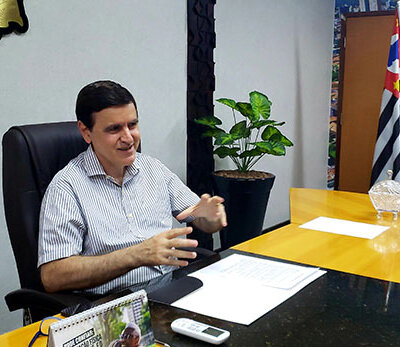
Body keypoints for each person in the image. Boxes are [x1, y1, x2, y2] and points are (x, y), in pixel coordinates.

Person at [38, 80, 227, 295]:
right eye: (114, 129)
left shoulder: (153, 168)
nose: (128, 138)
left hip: (169, 287)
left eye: (133, 125)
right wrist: (136, 254)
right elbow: (53, 276)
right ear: (86, 132)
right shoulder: (66, 187)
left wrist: (211, 217)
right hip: (114, 306)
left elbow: (199, 217)